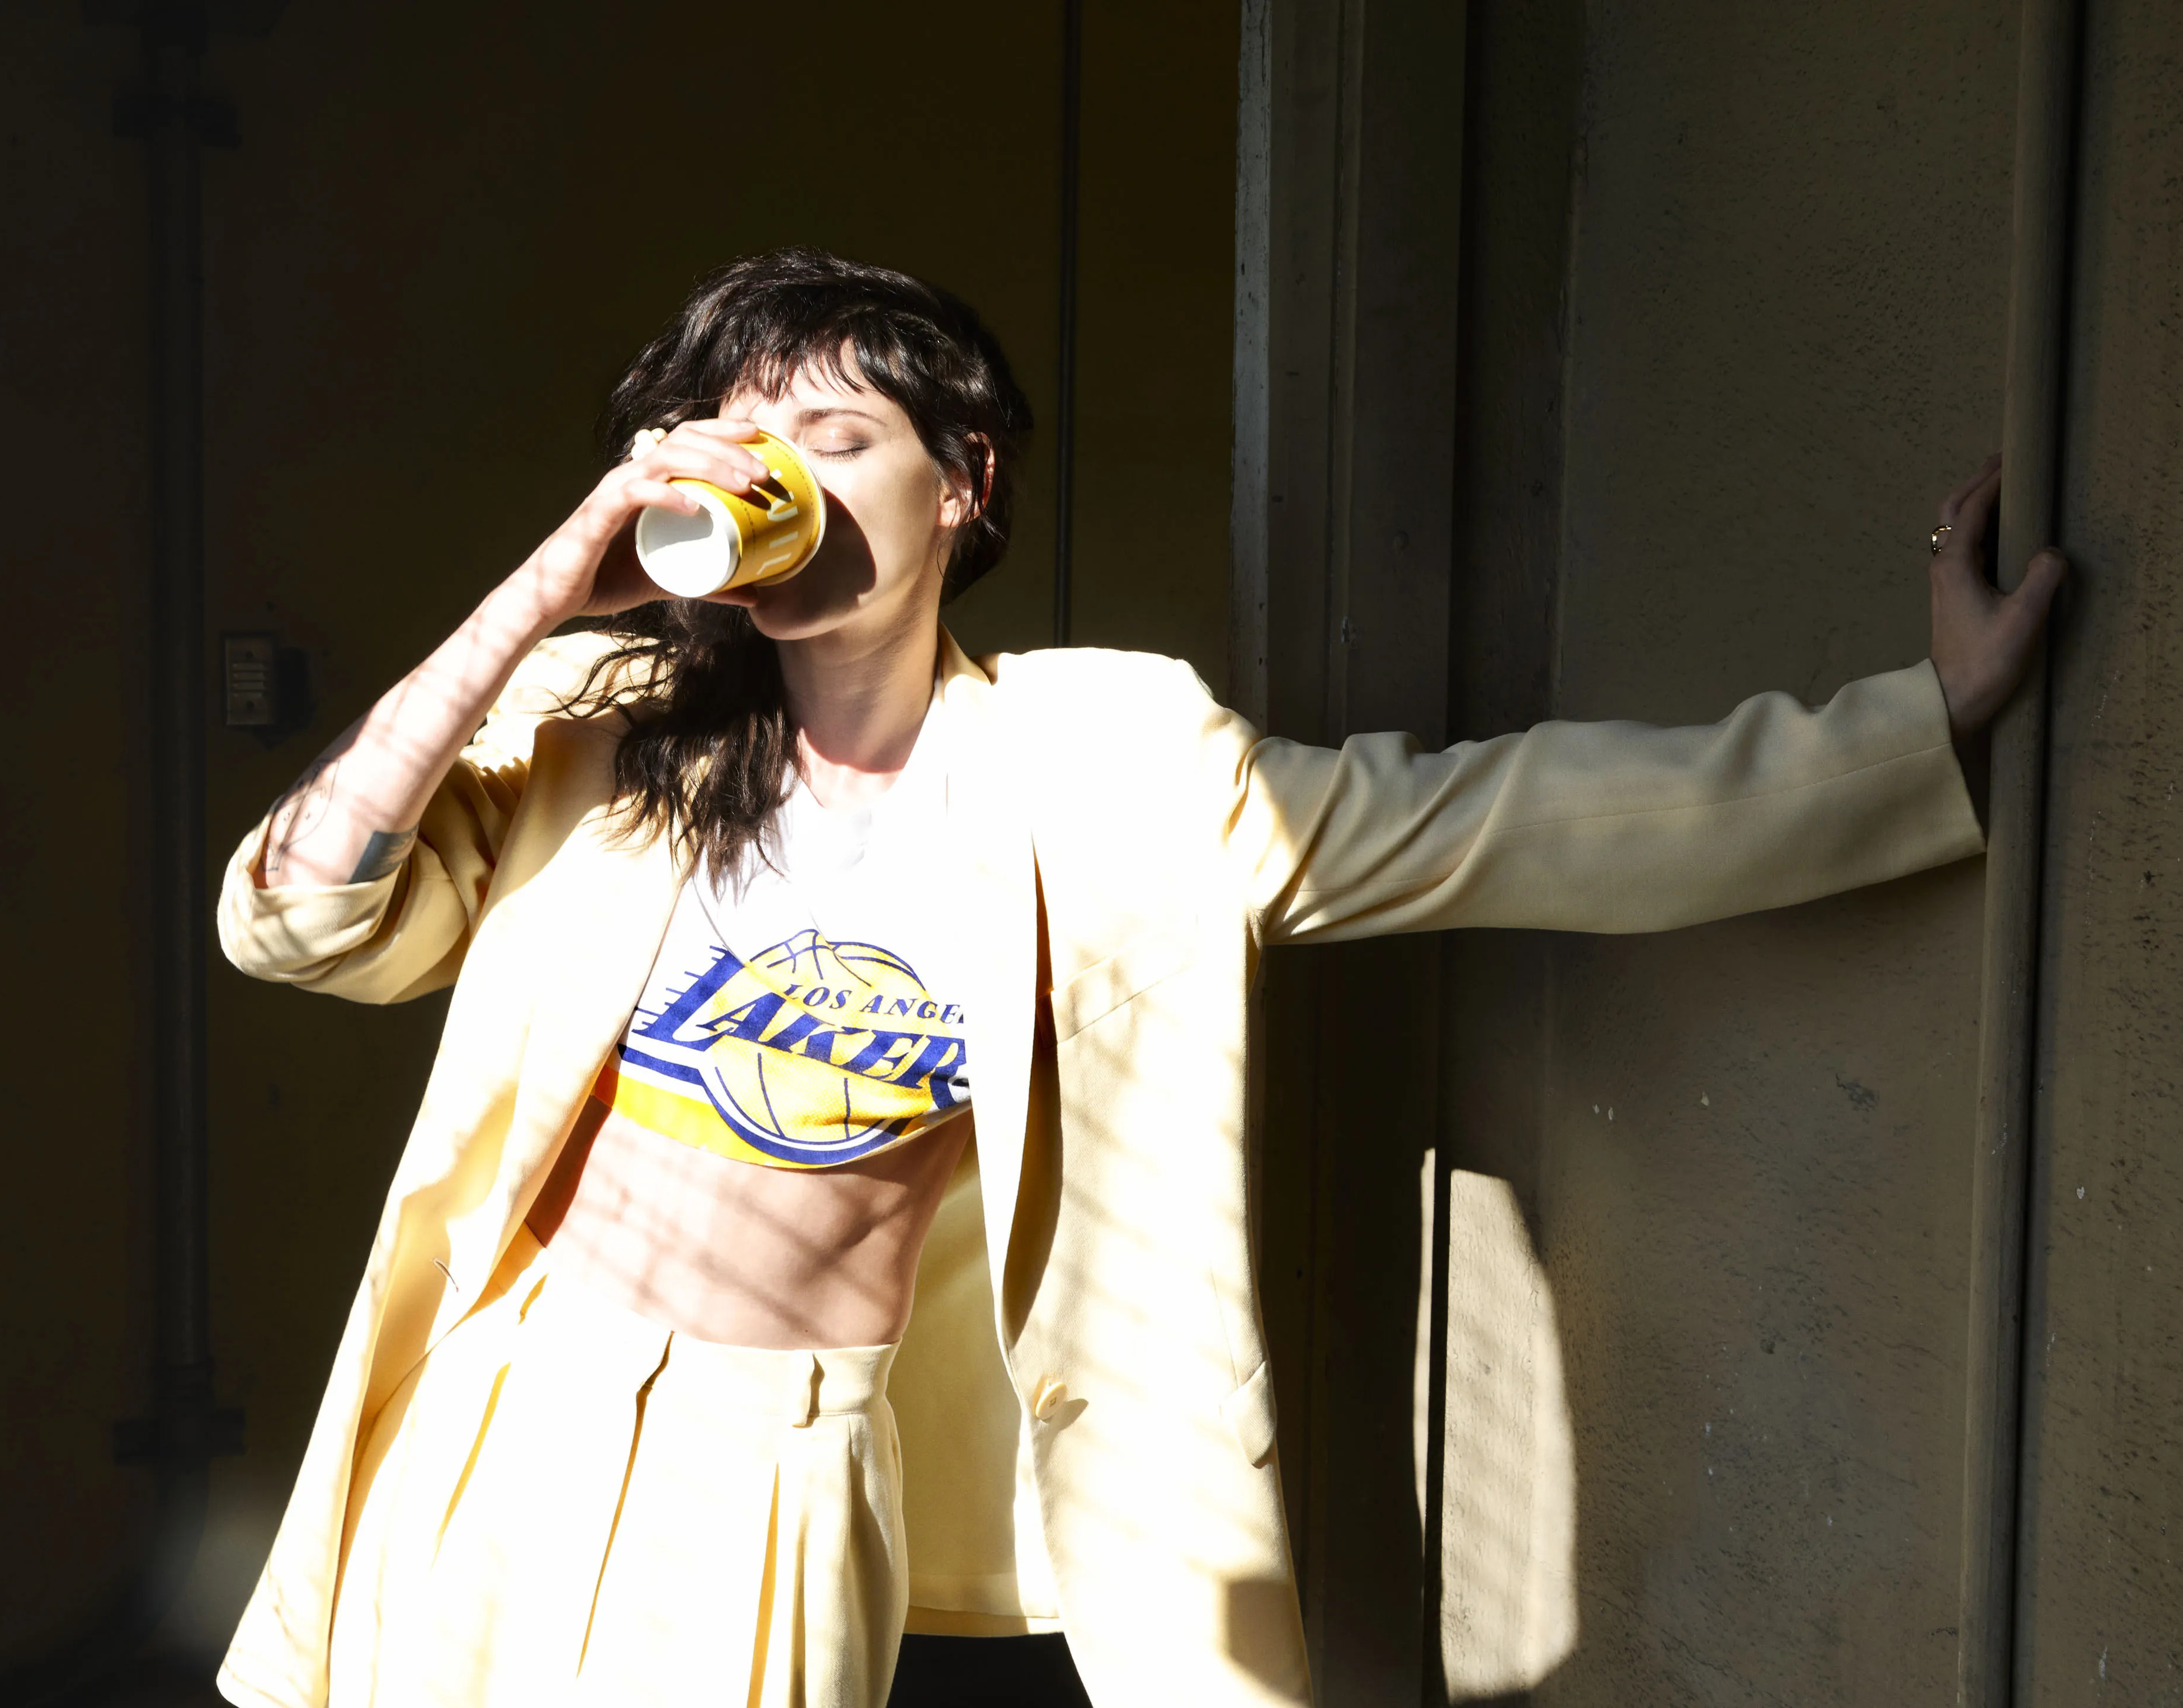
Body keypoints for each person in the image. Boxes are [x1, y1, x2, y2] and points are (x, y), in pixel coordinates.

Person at [210, 248, 2063, 1708]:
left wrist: (1924, 730)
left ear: (964, 483)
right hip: (505, 1409)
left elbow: (1500, 816)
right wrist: (545, 595)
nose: (776, 480)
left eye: (834, 438)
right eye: (739, 442)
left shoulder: (1115, 768)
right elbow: (300, 920)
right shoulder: (603, 731)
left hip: (783, 1460)